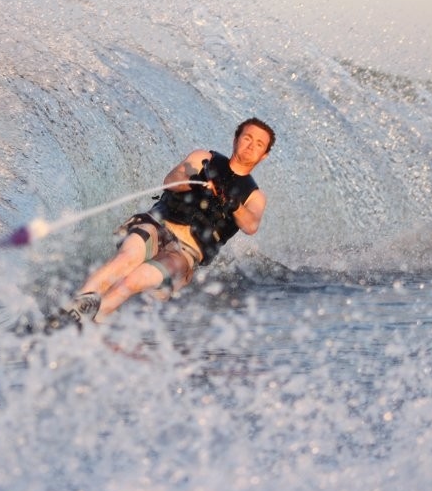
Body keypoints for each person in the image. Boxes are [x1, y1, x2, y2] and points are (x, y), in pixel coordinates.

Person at [46, 117, 275, 331]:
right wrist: (197, 183)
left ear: (264, 155)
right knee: (126, 259)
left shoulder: (254, 196)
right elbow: (172, 181)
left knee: (134, 280)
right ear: (236, 139)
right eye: (247, 138)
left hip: (187, 253)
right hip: (157, 226)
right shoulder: (204, 158)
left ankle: (90, 324)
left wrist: (233, 204)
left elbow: (251, 224)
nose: (251, 145)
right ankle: (69, 312)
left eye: (259, 144)